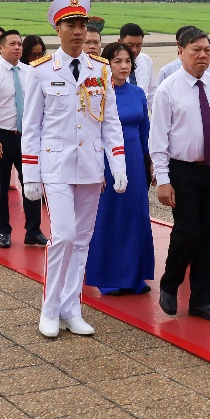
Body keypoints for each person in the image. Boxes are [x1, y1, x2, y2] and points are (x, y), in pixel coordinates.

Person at [22, 0, 128, 338]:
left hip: (89, 165)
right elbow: (32, 126)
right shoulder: (40, 72)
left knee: (82, 240)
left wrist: (119, 164)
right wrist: (30, 174)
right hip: (55, 166)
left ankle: (72, 307)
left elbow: (109, 120)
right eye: (71, 24)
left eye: (83, 24)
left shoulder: (99, 69)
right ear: (58, 28)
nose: (78, 31)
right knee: (63, 236)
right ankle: (50, 308)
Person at [150, 27, 210, 322]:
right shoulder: (168, 90)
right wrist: (164, 180)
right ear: (180, 52)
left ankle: (201, 300)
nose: (202, 55)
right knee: (188, 231)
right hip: (184, 171)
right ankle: (170, 283)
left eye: (206, 49)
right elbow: (158, 140)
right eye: (196, 50)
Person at [83, 40, 153, 297]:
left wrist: (150, 162)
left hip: (135, 161)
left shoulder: (138, 93)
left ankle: (134, 275)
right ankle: (109, 276)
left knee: (135, 216)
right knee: (109, 216)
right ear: (106, 63)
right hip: (107, 160)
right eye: (117, 61)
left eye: (128, 62)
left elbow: (145, 129)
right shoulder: (97, 93)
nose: (124, 66)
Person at [0, 29, 45, 247]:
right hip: (3, 137)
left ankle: (33, 230)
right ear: (0, 47)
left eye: (19, 44)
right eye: (12, 44)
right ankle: (3, 231)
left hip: (27, 137)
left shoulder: (31, 72)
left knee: (31, 184)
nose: (17, 47)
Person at [119, 22, 155, 104]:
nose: (134, 50)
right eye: (130, 45)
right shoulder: (109, 64)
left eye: (138, 45)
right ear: (120, 41)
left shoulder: (146, 61)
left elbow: (151, 93)